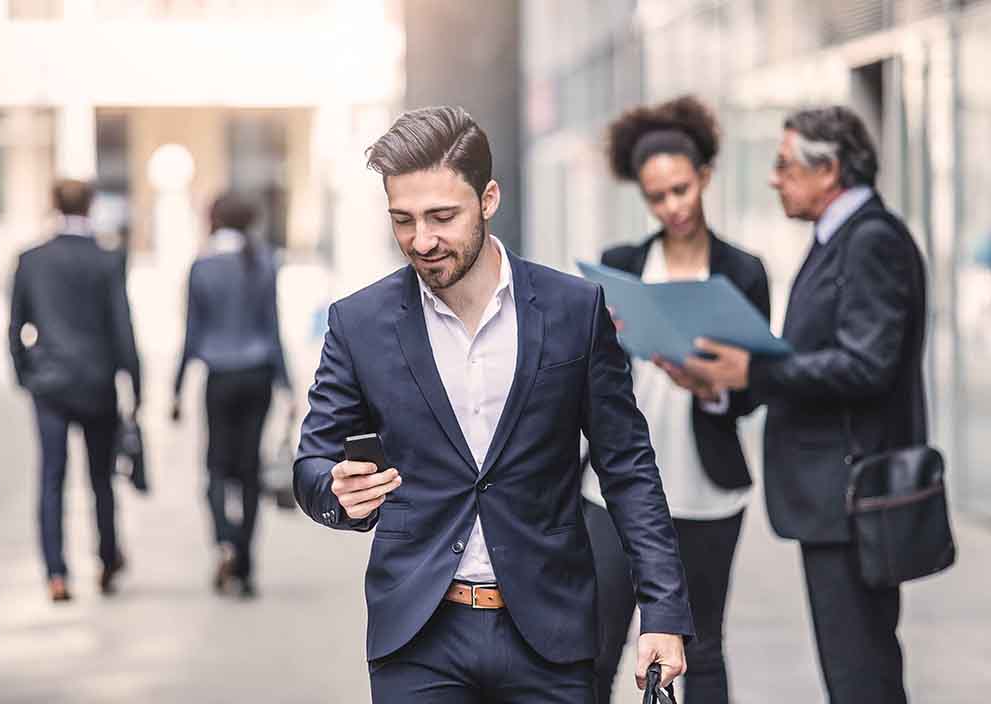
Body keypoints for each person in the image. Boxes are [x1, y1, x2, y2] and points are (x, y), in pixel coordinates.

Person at [293, 106, 694, 703]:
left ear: (488, 199)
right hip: (419, 638)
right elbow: (311, 466)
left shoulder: (572, 310)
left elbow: (628, 467)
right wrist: (336, 493)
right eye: (402, 220)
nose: (421, 241)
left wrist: (663, 610)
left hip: (549, 634)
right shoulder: (358, 323)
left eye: (442, 217)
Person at [684, 106, 927, 704]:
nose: (774, 178)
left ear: (830, 170)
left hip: (850, 495)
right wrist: (730, 382)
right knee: (854, 666)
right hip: (835, 494)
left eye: (784, 164)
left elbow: (868, 364)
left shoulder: (870, 240)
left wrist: (756, 369)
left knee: (859, 672)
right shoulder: (841, 237)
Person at [583, 96, 769, 704]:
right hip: (615, 487)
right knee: (598, 642)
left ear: (705, 178)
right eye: (657, 196)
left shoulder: (743, 271)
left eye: (681, 190)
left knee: (702, 646)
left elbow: (754, 389)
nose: (672, 207)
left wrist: (712, 388)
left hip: (706, 487)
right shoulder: (621, 266)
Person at [9, 179, 141, 602]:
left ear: (53, 204)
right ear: (91, 206)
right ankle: (106, 561)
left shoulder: (31, 260)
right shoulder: (108, 259)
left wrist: (24, 374)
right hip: (98, 383)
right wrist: (135, 383)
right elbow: (122, 325)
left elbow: (16, 326)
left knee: (51, 478)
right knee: (101, 478)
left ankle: (56, 574)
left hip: (48, 384)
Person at [172, 192, 291, 597]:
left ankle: (224, 538)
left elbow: (191, 334)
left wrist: (175, 388)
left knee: (217, 467)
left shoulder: (201, 268)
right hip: (258, 375)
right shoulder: (264, 262)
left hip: (219, 376)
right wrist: (287, 384)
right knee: (250, 469)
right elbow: (274, 328)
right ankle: (245, 561)